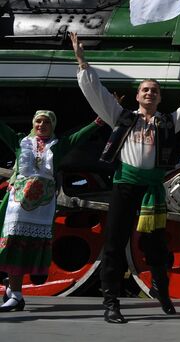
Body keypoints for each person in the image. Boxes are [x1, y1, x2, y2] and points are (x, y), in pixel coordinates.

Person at [70, 32, 180, 323]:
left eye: (154, 91)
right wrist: (82, 61)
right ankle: (111, 302)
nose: (149, 93)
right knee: (115, 243)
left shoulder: (168, 123)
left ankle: (162, 291)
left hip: (152, 189)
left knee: (156, 245)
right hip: (125, 185)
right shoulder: (122, 117)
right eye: (145, 90)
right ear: (137, 95)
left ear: (159, 97)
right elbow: (98, 94)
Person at [0, 111, 102, 312]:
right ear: (33, 123)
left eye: (47, 122)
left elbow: (78, 136)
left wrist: (98, 122)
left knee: (29, 248)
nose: (41, 124)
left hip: (42, 208)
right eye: (38, 121)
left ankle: (14, 289)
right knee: (14, 246)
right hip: (18, 206)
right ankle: (17, 294)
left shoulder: (59, 146)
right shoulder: (21, 141)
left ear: (53, 126)